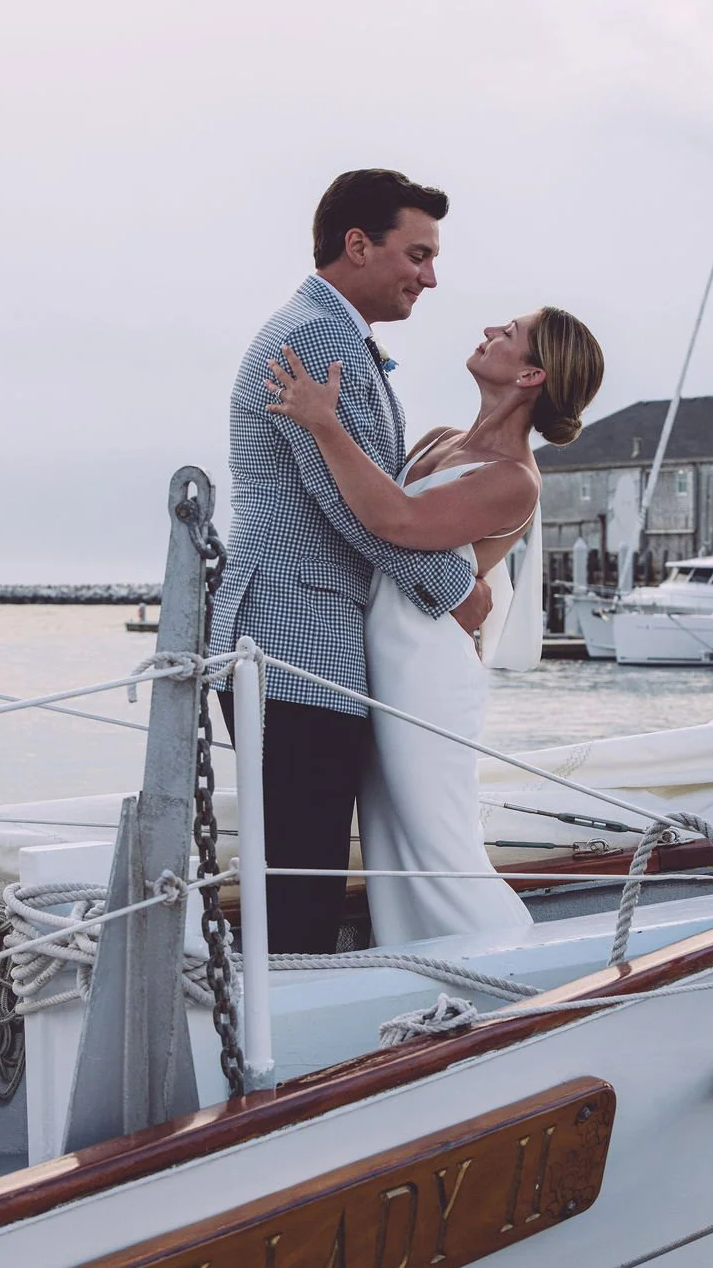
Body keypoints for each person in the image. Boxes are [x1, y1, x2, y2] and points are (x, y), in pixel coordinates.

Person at [210, 170, 492, 954]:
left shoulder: (332, 334)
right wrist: (458, 591)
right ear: (358, 244)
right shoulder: (317, 339)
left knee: (307, 858)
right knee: (304, 865)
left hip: (300, 634)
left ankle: (292, 1005)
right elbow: (356, 506)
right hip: (290, 635)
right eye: (418, 254)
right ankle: (286, 1021)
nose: (429, 278)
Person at [264, 306, 605, 944]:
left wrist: (323, 423)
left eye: (509, 334)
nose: (490, 331)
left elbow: (397, 521)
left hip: (428, 673)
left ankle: (508, 960)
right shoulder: (436, 440)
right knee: (388, 836)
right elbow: (363, 509)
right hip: (376, 654)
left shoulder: (515, 481)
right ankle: (414, 965)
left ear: (531, 374)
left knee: (435, 839)